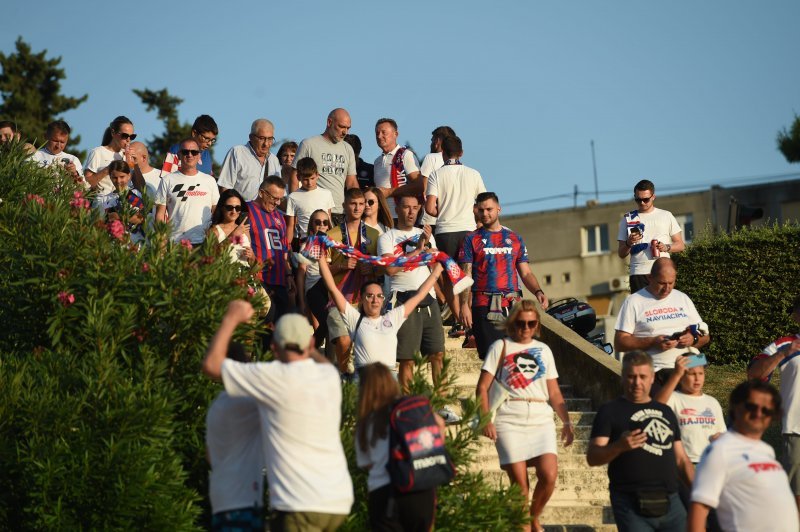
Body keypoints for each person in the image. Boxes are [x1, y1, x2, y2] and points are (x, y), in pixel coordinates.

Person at [202, 302, 354, 531]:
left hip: (300, 503)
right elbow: (326, 365)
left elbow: (212, 364)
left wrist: (231, 318)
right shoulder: (327, 376)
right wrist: (308, 348)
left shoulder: (273, 377)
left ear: (274, 347)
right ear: (311, 344)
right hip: (338, 500)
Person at [476, 300, 574, 532]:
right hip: (509, 416)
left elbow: (554, 391)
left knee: (549, 475)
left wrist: (567, 421)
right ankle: (525, 525)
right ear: (513, 323)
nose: (526, 328)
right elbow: (482, 387)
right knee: (520, 486)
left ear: (537, 324)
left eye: (531, 323)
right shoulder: (500, 347)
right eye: (521, 323)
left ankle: (532, 518)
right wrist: (485, 418)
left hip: (541, 416)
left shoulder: (544, 350)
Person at [587, 351, 694, 532]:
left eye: (642, 377)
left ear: (652, 378)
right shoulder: (610, 411)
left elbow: (682, 459)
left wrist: (700, 493)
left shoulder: (665, 412)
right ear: (622, 378)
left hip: (671, 500)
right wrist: (619, 446)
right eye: (631, 376)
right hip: (630, 501)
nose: (637, 383)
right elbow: (593, 457)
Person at [689, 380, 799, 532]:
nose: (758, 413)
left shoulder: (766, 450)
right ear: (735, 408)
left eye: (766, 410)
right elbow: (699, 510)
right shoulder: (720, 450)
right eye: (751, 406)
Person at [317, 244, 443, 374]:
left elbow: (420, 294)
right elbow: (332, 288)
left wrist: (437, 271)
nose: (375, 300)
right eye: (369, 296)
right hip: (364, 379)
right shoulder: (355, 319)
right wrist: (320, 258)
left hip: (388, 379)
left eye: (379, 296)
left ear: (383, 300)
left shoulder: (392, 317)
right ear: (362, 300)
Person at [459, 192, 549, 360]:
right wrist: (464, 304)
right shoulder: (471, 239)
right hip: (484, 306)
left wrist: (538, 291)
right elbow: (466, 274)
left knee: (517, 357)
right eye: (481, 210)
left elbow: (526, 272)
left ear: (499, 209)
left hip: (513, 305)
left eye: (489, 209)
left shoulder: (514, 238)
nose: (485, 213)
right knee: (492, 358)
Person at [356, 363, 444, 531]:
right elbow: (439, 423)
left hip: (385, 493)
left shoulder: (367, 422)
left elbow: (366, 464)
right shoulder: (409, 410)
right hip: (420, 490)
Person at [377, 195, 444, 391]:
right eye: (406, 207)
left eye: (415, 208)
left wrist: (440, 295)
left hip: (428, 299)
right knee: (407, 358)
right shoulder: (387, 237)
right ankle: (407, 402)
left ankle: (442, 400)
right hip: (402, 300)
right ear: (397, 209)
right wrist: (417, 251)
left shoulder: (426, 234)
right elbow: (389, 269)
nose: (411, 212)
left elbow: (434, 266)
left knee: (438, 354)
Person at [614, 257, 711, 385]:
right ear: (650, 278)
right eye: (662, 283)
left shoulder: (682, 297)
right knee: (676, 382)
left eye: (671, 283)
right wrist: (652, 342)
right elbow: (619, 343)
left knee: (700, 364)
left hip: (693, 361)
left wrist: (693, 339)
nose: (667, 289)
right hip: (659, 367)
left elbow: (706, 337)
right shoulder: (634, 301)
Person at [426, 135, 486, 336]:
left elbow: (430, 208)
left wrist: (443, 210)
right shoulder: (473, 174)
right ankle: (469, 320)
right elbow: (482, 204)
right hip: (469, 230)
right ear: (461, 152)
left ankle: (459, 319)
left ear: (442, 152)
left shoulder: (436, 175)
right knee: (467, 276)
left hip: (444, 231)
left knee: (451, 279)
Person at [747, 293, 800, 509]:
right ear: (797, 316)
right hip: (797, 431)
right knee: (796, 494)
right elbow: (753, 374)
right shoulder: (786, 343)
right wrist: (782, 354)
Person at [205, 344, 265, 532]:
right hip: (243, 497)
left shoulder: (216, 406)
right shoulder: (249, 403)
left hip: (220, 495)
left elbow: (209, 454)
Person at [324, 187, 380, 374]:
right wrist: (341, 266)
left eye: (361, 204)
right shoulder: (331, 235)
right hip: (339, 298)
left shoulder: (374, 235)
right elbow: (321, 270)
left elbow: (381, 269)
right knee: (344, 340)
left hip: (366, 300)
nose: (357, 208)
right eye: (353, 204)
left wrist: (372, 268)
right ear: (344, 206)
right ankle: (344, 376)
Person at [617, 179, 685, 293]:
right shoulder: (628, 218)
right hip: (639, 272)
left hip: (662, 271)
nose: (642, 203)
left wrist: (666, 247)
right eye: (638, 200)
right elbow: (621, 253)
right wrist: (629, 243)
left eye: (646, 199)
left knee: (662, 308)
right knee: (641, 309)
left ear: (653, 197)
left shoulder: (666, 215)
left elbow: (681, 245)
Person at [293, 108, 359, 225]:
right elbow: (294, 177)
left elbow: (352, 183)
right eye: (342, 127)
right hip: (314, 212)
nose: (345, 132)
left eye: (348, 128)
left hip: (341, 212)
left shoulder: (347, 148)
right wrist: (295, 209)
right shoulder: (309, 144)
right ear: (329, 122)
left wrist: (357, 209)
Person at [155, 138, 219, 245]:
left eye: (194, 152)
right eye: (185, 152)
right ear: (179, 155)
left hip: (203, 243)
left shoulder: (210, 181)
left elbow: (216, 212)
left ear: (199, 156)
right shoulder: (167, 180)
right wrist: (161, 240)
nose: (190, 155)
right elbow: (160, 214)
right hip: (175, 243)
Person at [247, 175, 294, 322]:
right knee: (264, 324)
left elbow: (285, 248)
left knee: (278, 328)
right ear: (261, 193)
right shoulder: (246, 210)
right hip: (260, 278)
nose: (277, 203)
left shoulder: (279, 216)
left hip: (280, 279)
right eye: (274, 198)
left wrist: (288, 275)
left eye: (280, 199)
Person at [217, 118, 281, 201]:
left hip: (264, 213)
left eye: (270, 139)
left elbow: (278, 194)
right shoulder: (237, 152)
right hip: (241, 211)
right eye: (262, 138)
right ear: (251, 137)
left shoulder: (274, 160)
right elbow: (225, 187)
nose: (266, 144)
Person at [296, 210, 333, 348]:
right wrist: (301, 300)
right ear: (312, 225)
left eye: (325, 222)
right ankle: (307, 351)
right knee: (326, 322)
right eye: (318, 222)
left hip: (330, 288)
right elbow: (301, 273)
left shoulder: (332, 244)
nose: (322, 225)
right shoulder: (307, 245)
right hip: (314, 288)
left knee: (331, 325)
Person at [373, 118, 422, 214]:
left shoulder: (405, 155)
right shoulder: (377, 161)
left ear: (396, 134)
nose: (379, 136)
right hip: (381, 217)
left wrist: (389, 192)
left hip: (401, 217)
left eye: (384, 132)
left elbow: (419, 186)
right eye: (377, 133)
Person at [285, 157, 335, 251]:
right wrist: (286, 250)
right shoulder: (293, 197)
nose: (309, 182)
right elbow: (290, 226)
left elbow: (329, 220)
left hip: (325, 242)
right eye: (305, 179)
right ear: (298, 177)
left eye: (312, 178)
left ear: (317, 175)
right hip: (305, 243)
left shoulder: (327, 194)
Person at [84, 116, 135, 196]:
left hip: (123, 203)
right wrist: (109, 169)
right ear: (113, 133)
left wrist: (131, 164)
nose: (128, 140)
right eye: (125, 136)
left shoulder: (128, 155)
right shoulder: (98, 152)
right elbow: (86, 184)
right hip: (102, 203)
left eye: (132, 137)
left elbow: (136, 185)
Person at [95, 160, 145, 243]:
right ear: (110, 177)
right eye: (114, 177)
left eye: (122, 177)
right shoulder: (104, 200)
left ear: (129, 176)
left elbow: (142, 218)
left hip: (134, 244)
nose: (118, 181)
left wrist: (118, 216)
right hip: (113, 245)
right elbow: (100, 223)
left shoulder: (135, 194)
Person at [419, 125, 456, 233]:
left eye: (432, 140)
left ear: (438, 140)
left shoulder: (431, 158)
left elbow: (423, 188)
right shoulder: (458, 164)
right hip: (451, 219)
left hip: (430, 219)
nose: (431, 143)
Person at [210, 189, 255, 267]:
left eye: (238, 208)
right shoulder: (214, 231)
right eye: (229, 207)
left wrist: (252, 256)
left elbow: (252, 262)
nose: (234, 211)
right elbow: (212, 255)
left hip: (244, 277)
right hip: (225, 277)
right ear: (222, 208)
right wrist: (232, 236)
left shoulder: (244, 230)